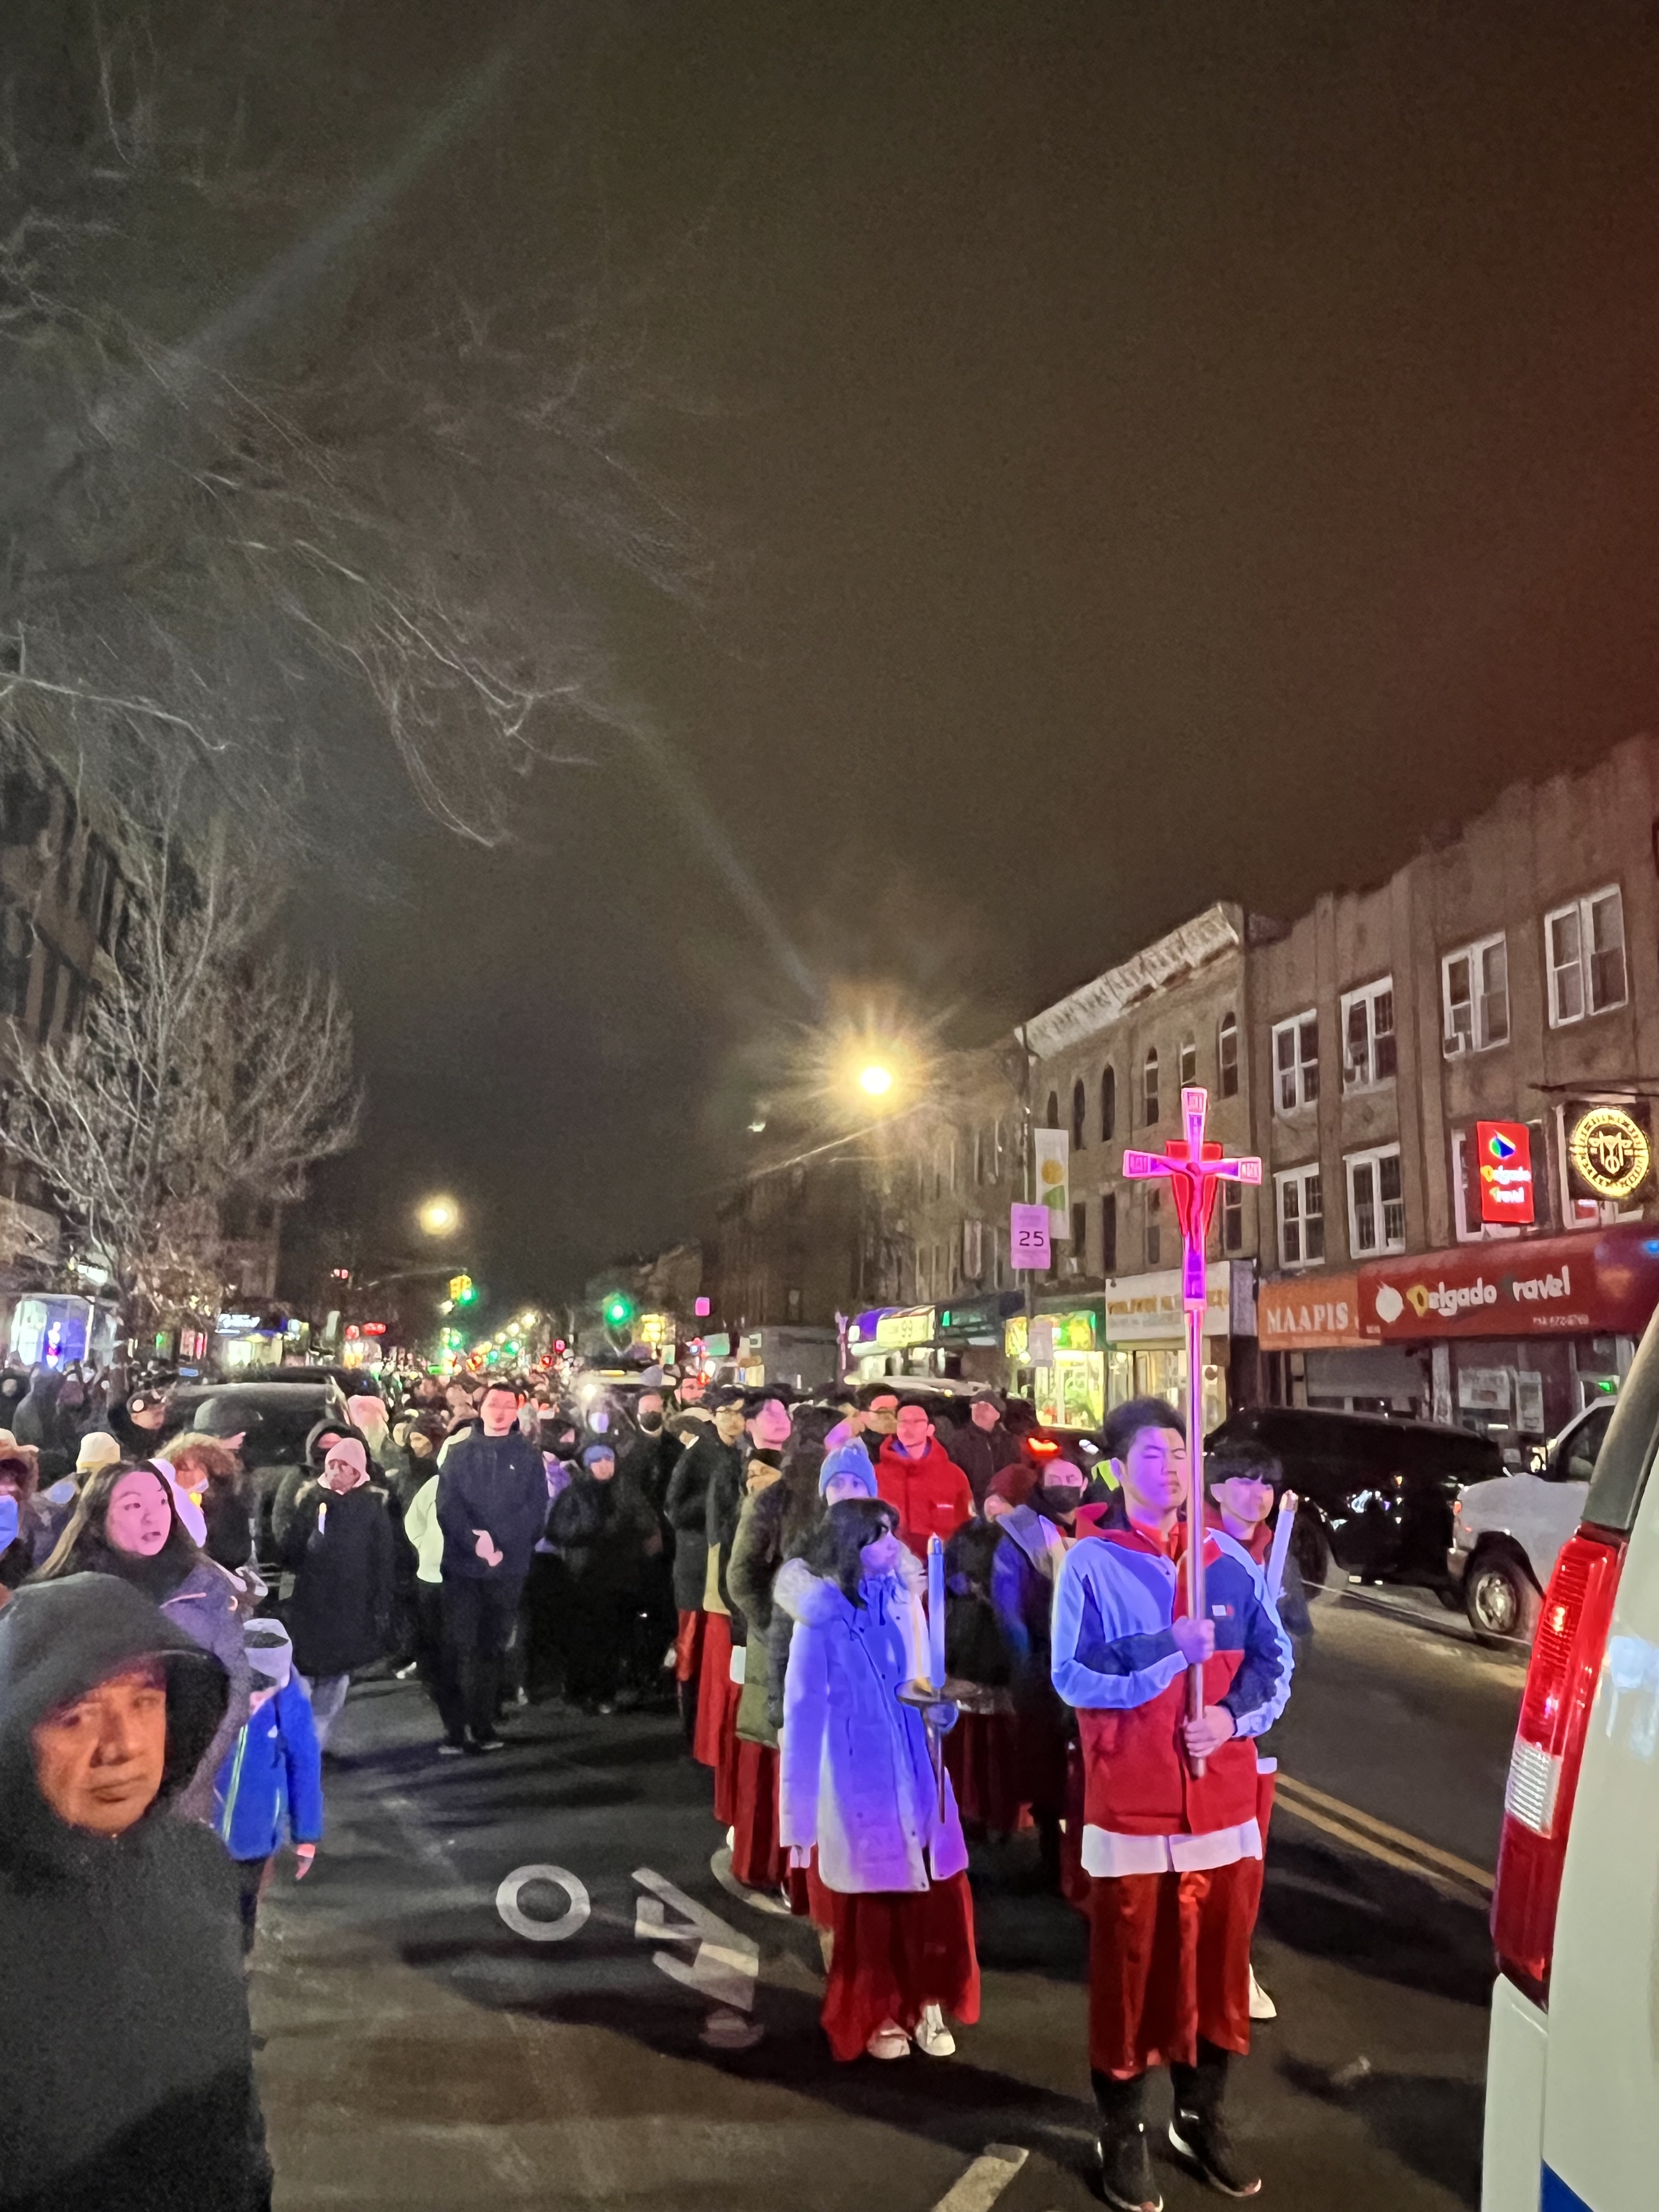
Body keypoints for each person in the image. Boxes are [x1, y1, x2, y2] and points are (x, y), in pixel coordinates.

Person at [1049, 1398, 1292, 2209]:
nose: (1174, 1469)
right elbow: (1071, 1676)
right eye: (1154, 1455)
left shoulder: (1228, 1559)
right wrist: (1167, 1651)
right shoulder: (1091, 1563)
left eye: (1183, 1454)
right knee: (1132, 1976)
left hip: (1221, 1805)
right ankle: (1122, 2129)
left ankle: (1200, 2115)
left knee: (1218, 1975)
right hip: (1134, 1806)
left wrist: (1229, 1718)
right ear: (1119, 1469)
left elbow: (1273, 1662)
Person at [0, 1572, 272, 2210]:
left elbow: (233, 2094)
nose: (123, 1748)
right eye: (76, 1716)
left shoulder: (198, 1866)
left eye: (145, 1703)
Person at [777, 1496, 978, 2063]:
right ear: (851, 1547)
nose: (893, 1544)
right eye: (879, 1536)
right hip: (858, 1769)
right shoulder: (820, 1617)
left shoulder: (904, 1600)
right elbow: (803, 1710)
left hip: (916, 1762)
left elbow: (925, 1680)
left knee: (933, 1889)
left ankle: (925, 2000)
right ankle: (880, 2009)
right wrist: (798, 1817)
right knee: (876, 1905)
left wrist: (941, 1713)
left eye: (892, 1532)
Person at [35, 1462, 250, 1821]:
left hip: (182, 1796)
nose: (154, 1517)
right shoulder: (61, 1598)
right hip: (92, 1798)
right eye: (134, 1505)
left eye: (162, 1502)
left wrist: (187, 1776)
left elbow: (234, 1686)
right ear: (98, 1520)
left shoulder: (206, 1587)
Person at [1203, 1436, 1310, 2027]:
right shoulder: (1194, 1550)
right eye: (1245, 1480)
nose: (1259, 1494)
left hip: (1255, 1738)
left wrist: (1265, 1675)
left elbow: (1298, 1635)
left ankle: (1233, 1964)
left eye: (1267, 1483)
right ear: (1218, 1489)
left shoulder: (1279, 1554)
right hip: (1196, 1736)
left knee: (1244, 1861)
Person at [725, 1439, 825, 1890]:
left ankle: (800, 1873)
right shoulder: (770, 1503)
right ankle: (774, 1864)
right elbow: (741, 1575)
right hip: (776, 1644)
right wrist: (771, 1622)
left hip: (822, 1643)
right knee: (776, 1756)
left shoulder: (844, 1509)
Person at [433, 1379, 547, 1754]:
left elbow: (535, 1511)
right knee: (459, 1646)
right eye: (493, 1404)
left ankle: (483, 1724)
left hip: (507, 1568)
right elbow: (447, 1505)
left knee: (492, 1647)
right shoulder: (459, 1452)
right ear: (480, 1409)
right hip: (462, 1567)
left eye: (508, 1406)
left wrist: (500, 1546)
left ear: (517, 1412)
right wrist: (476, 1541)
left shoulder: (528, 1456)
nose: (500, 1412)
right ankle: (456, 1729)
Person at [278, 1434, 396, 1750]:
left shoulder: (372, 1507)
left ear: (358, 1471)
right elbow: (289, 1553)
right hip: (312, 1602)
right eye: (332, 1465)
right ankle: (298, 1738)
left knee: (336, 1676)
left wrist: (380, 1605)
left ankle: (315, 1743)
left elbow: (383, 1559)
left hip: (351, 1603)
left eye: (345, 1466)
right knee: (303, 1672)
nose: (336, 1472)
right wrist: (305, 1542)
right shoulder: (311, 1500)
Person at [213, 1618, 322, 1953]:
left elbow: (305, 1767)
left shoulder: (291, 1705)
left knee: (243, 1914)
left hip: (255, 1837)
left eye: (265, 1687)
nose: (255, 1698)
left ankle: (238, 1964)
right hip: (204, 1831)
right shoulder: (211, 1696)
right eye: (249, 1685)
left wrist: (306, 1835)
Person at [546, 1442, 661, 1712]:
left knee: (613, 1636)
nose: (604, 1466)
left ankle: (604, 1692)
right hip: (584, 1576)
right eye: (598, 1461)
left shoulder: (627, 1490)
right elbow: (556, 1530)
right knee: (585, 1636)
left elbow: (648, 1523)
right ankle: (579, 1689)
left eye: (608, 1460)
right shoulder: (575, 1494)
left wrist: (628, 1529)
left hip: (620, 1576)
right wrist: (588, 1529)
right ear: (588, 1466)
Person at [663, 1387, 746, 1745]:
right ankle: (691, 1729)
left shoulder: (742, 1451)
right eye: (727, 1412)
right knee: (693, 1652)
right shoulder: (699, 1451)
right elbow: (674, 1508)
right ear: (713, 1414)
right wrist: (716, 1501)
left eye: (741, 1412)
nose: (735, 1419)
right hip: (697, 1566)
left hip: (726, 1566)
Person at [874, 1398, 974, 1559]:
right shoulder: (876, 1475)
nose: (909, 1427)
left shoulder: (954, 1476)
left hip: (942, 1566)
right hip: (890, 1567)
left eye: (917, 1422)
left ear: (930, 1429)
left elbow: (966, 1529)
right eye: (903, 1422)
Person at [169, 1432, 256, 1574]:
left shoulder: (227, 1504)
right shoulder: (161, 1502)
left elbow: (235, 1554)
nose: (187, 1475)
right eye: (182, 1467)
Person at [943, 1393, 1015, 1509]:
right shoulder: (959, 1440)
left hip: (1003, 1506)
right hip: (971, 1507)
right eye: (975, 1407)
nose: (979, 1412)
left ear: (998, 1414)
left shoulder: (1008, 1441)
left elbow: (1016, 1475)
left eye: (986, 1408)